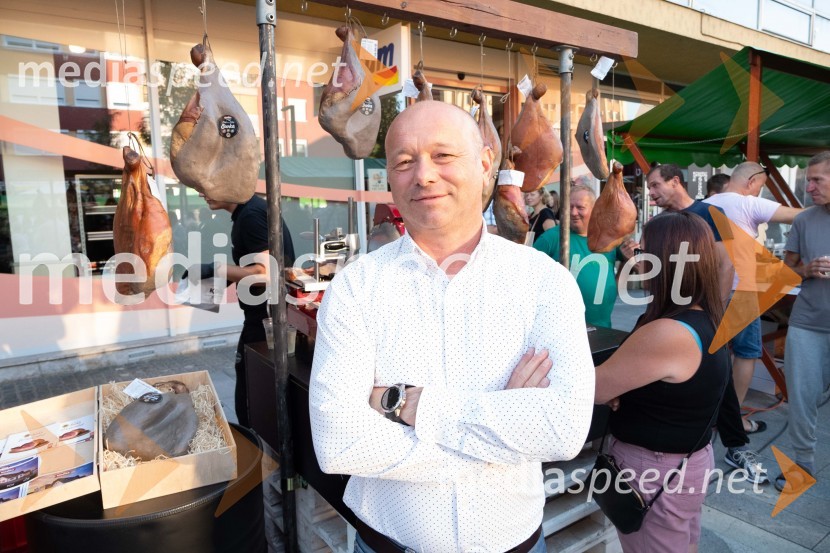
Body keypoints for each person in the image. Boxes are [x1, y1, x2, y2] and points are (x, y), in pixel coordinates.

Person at [309, 100, 595, 553]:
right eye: (404, 161)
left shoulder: (544, 281)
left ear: (484, 164)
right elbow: (339, 443)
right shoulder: (355, 288)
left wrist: (409, 406)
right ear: (390, 179)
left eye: (443, 156)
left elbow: (563, 428)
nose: (423, 175)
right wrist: (502, 430)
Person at [595, 211, 730, 553]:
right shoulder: (705, 315)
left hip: (652, 470)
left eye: (644, 251)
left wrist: (614, 386)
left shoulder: (667, 332)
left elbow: (595, 389)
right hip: (686, 462)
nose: (637, 259)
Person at [647, 164, 767, 483]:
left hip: (707, 311)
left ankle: (735, 443)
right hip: (669, 310)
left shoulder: (710, 212)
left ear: (676, 182)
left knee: (720, 371)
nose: (651, 192)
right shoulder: (660, 222)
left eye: (656, 185)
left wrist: (715, 311)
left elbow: (728, 262)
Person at [704, 162, 802, 434]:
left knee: (712, 353)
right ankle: (734, 419)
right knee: (747, 353)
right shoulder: (748, 204)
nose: (760, 192)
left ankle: (706, 412)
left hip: (710, 290)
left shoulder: (705, 204)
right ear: (752, 182)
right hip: (741, 290)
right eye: (760, 186)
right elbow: (800, 216)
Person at [197, 192, 295, 427]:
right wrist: (219, 280)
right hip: (264, 315)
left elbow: (267, 274)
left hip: (266, 320)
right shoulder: (248, 211)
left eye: (207, 185)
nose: (201, 193)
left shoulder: (250, 215)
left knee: (249, 398)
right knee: (255, 390)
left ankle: (256, 453)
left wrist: (218, 269)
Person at [776, 151, 830, 492]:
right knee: (802, 397)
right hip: (808, 323)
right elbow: (785, 270)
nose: (808, 187)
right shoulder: (805, 220)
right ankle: (802, 464)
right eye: (808, 179)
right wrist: (805, 271)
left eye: (817, 180)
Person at [534, 184, 636, 328]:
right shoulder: (551, 238)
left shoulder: (609, 237)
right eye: (570, 207)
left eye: (580, 207)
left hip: (602, 326)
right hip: (562, 328)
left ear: (594, 209)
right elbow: (528, 273)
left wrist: (630, 259)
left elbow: (637, 260)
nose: (574, 212)